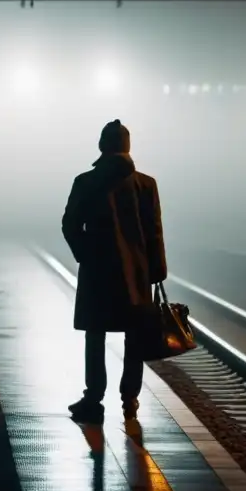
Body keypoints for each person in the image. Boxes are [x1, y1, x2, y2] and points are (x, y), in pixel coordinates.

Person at [62, 119, 167, 424]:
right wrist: (156, 270)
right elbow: (154, 232)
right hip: (136, 274)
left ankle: (93, 399)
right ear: (127, 147)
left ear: (102, 147)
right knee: (134, 337)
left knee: (95, 336)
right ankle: (130, 399)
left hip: (98, 273)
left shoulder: (86, 181)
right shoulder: (146, 184)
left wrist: (85, 253)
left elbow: (70, 224)